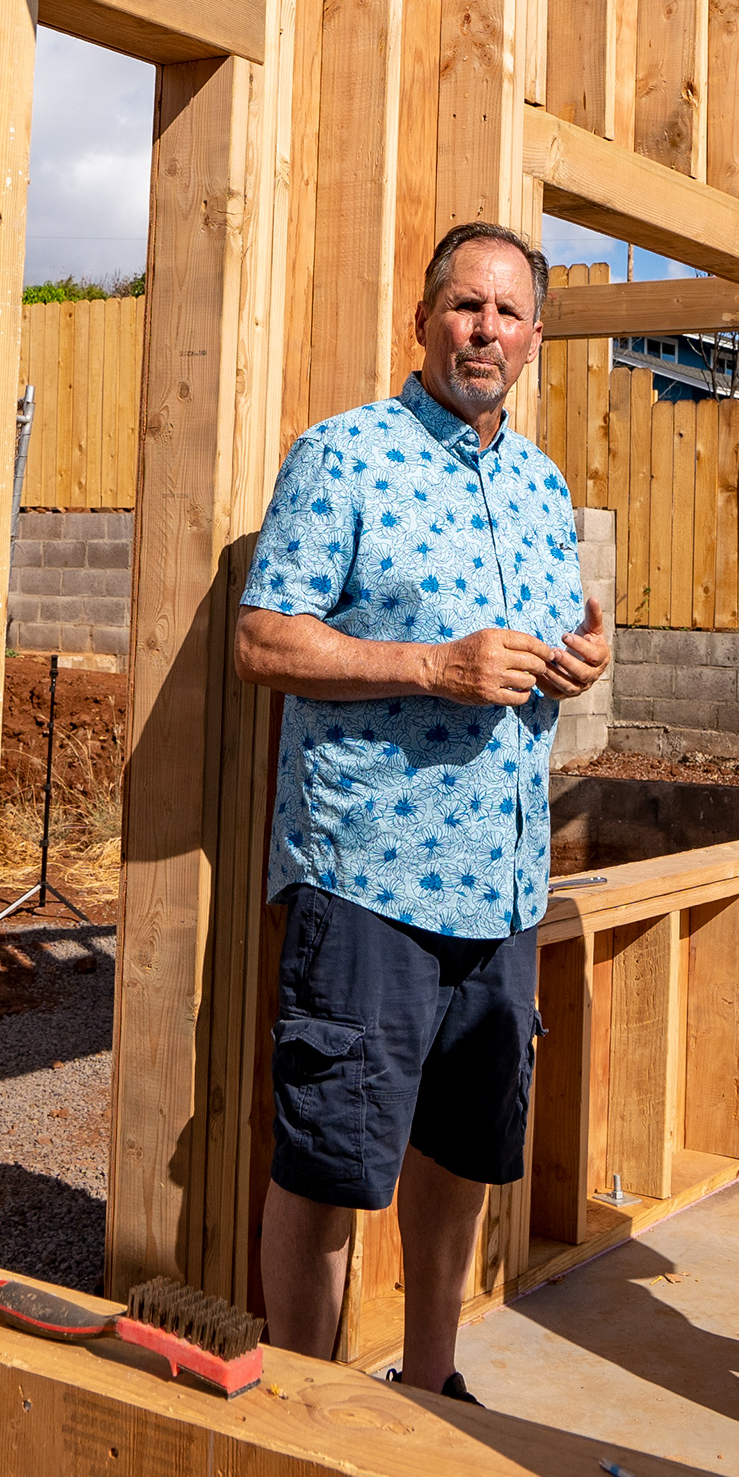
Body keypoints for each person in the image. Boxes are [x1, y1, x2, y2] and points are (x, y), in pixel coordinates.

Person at [232, 220, 611, 1401]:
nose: (484, 329)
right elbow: (262, 638)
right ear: (425, 318)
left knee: (463, 1152)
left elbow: (549, 641)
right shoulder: (343, 457)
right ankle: (304, 1407)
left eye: (507, 312)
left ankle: (432, 1374)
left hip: (500, 885)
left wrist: (586, 659)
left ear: (536, 339)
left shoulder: (544, 487)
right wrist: (436, 666)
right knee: (333, 1162)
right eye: (465, 305)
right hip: (371, 879)